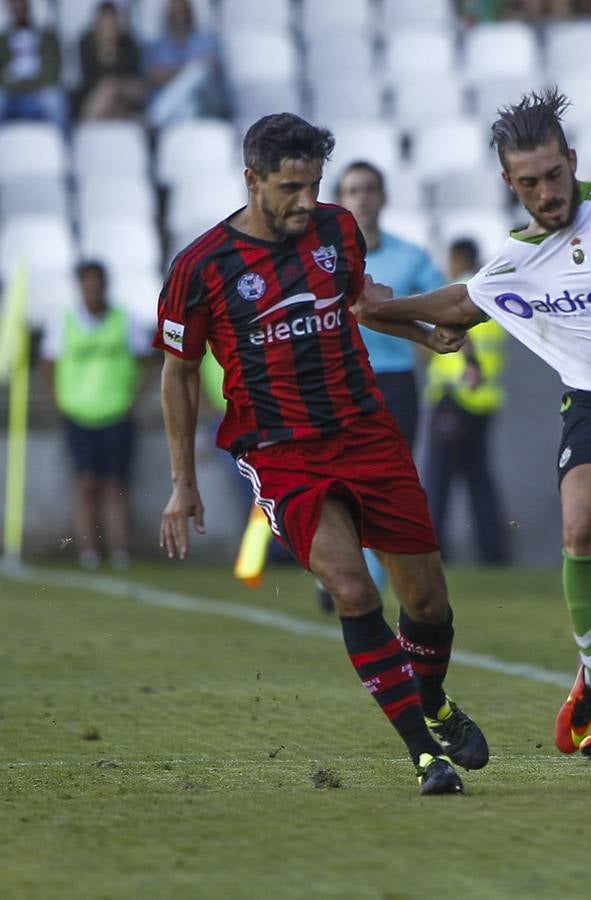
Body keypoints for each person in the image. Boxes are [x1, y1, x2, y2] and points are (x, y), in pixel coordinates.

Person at [351, 88, 591, 759]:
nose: (546, 193)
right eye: (528, 182)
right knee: (582, 526)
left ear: (573, 162)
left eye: (554, 176)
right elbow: (458, 304)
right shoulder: (516, 259)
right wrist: (377, 309)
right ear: (509, 183)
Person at [154, 112, 488, 795]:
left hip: (366, 431)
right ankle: (426, 754)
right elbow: (178, 372)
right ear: (252, 180)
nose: (306, 201)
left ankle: (434, 700)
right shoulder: (201, 267)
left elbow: (361, 301)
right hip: (281, 452)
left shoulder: (336, 230)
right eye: (289, 188)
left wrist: (427, 334)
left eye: (313, 184)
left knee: (427, 603)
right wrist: (181, 482)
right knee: (352, 587)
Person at [323, 160, 447, 607]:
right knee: (337, 481)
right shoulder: (322, 259)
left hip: (394, 383)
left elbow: (445, 303)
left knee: (387, 482)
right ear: (340, 198)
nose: (362, 198)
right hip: (336, 380)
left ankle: (369, 576)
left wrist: (463, 351)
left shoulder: (411, 256)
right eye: (353, 189)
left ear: (384, 197)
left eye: (370, 188)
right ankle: (342, 568)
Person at [41, 261, 151, 569]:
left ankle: (118, 551)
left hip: (116, 411)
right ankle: (87, 552)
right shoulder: (63, 321)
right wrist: (60, 402)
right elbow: (48, 365)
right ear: (79, 286)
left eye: (96, 282)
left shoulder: (124, 319)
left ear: (105, 284)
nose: (92, 288)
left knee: (114, 484)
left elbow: (146, 360)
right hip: (78, 413)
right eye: (86, 282)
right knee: (85, 482)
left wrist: (133, 400)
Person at [422, 238, 510, 565]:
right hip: (482, 402)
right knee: (479, 480)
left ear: (458, 257)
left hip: (453, 397)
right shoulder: (492, 297)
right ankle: (493, 554)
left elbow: (454, 335)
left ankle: (434, 552)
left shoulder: (460, 292)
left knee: (439, 480)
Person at [143, 0, 226, 129]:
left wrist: (178, 73)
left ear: (190, 14)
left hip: (206, 103)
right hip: (183, 111)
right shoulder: (156, 45)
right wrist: (189, 71)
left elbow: (211, 71)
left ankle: (156, 116)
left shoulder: (207, 40)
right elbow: (155, 77)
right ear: (167, 15)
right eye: (174, 13)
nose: (179, 17)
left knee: (200, 70)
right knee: (189, 101)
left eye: (182, 12)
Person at [74, 1, 147, 122]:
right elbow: (88, 77)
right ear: (97, 22)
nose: (108, 26)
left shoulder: (128, 42)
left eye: (112, 21)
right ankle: (88, 122)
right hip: (93, 94)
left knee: (122, 88)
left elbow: (131, 73)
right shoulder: (86, 42)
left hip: (123, 93)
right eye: (105, 21)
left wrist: (112, 49)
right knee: (108, 88)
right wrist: (105, 51)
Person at [0, 0, 67, 128]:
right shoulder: (2, 40)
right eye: (14, 5)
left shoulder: (47, 36)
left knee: (54, 99)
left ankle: (64, 146)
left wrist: (20, 81)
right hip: (11, 96)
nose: (18, 8)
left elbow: (52, 72)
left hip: (39, 94)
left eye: (21, 4)